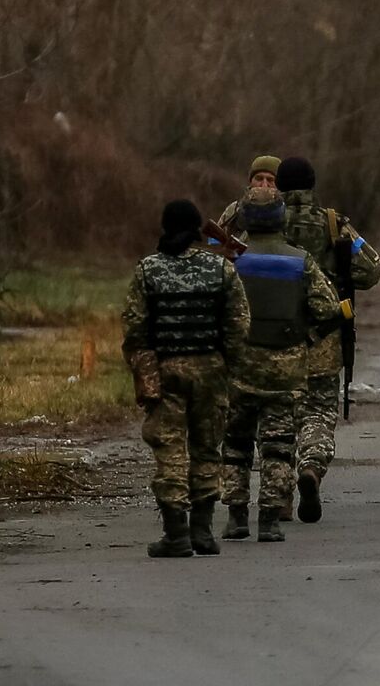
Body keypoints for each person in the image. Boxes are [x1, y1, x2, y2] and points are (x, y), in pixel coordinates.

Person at [122, 200, 250, 558]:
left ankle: (176, 533)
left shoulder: (148, 270)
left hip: (166, 372)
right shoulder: (221, 269)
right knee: (208, 447)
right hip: (211, 370)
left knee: (170, 448)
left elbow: (134, 328)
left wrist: (143, 367)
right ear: (197, 229)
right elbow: (239, 325)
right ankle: (203, 532)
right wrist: (228, 364)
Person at [220, 187, 340, 543]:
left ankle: (236, 516)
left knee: (236, 443)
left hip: (240, 366)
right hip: (285, 368)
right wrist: (307, 335)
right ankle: (270, 519)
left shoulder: (230, 261)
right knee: (279, 444)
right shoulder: (299, 261)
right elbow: (328, 308)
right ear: (281, 218)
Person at [273, 157, 380, 523]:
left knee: (278, 417)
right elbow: (371, 270)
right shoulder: (333, 224)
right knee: (319, 412)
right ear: (312, 185)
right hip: (323, 336)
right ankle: (312, 466)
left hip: (273, 335)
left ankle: (280, 494)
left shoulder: (264, 224)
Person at [216, 155, 283, 231]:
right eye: (259, 178)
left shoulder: (286, 210)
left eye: (270, 180)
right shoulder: (234, 210)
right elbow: (213, 240)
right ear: (251, 181)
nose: (264, 185)